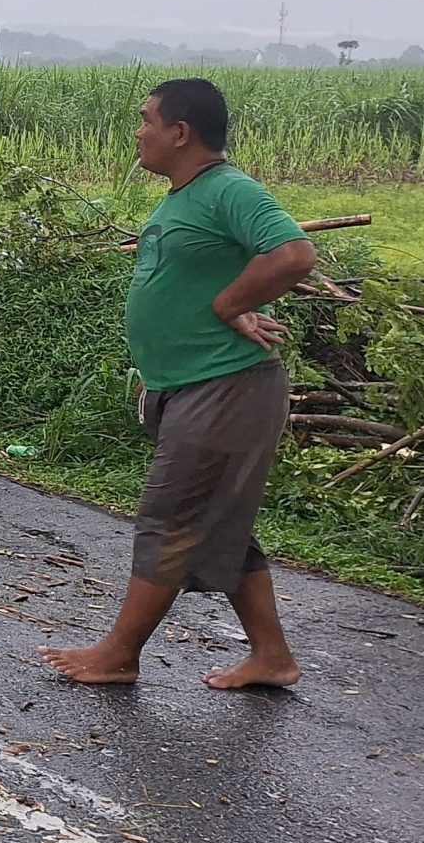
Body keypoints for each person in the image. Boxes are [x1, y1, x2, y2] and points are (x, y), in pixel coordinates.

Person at [43, 78, 315, 690]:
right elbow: (204, 273)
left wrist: (230, 304)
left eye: (145, 119)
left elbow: (294, 255)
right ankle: (272, 656)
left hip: (226, 387)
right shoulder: (182, 195)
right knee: (221, 527)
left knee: (168, 520)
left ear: (180, 132)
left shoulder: (228, 190)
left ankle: (118, 652)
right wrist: (232, 301)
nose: (138, 131)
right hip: (191, 386)